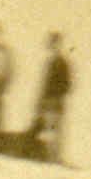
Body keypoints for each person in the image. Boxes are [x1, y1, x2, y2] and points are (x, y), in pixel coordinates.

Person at [31, 32, 73, 163]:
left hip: (53, 100)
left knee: (53, 129)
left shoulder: (60, 62)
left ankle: (53, 157)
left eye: (53, 43)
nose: (51, 46)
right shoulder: (53, 61)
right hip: (51, 100)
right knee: (51, 129)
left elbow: (67, 84)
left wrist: (55, 96)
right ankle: (51, 157)